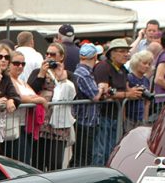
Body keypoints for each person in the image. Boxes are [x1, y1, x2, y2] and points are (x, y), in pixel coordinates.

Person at [92, 38, 144, 166]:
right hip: (102, 116)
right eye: (122, 51)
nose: (126, 54)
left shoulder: (123, 69)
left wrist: (134, 91)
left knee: (112, 150)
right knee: (100, 151)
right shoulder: (103, 67)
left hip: (117, 116)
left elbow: (125, 89)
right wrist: (128, 94)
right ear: (112, 53)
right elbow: (104, 93)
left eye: (127, 51)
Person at [27, 42, 76, 170]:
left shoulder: (68, 74)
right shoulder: (38, 71)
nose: (49, 56)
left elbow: (75, 94)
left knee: (55, 162)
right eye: (47, 53)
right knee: (38, 160)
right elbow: (30, 90)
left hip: (59, 122)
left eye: (53, 54)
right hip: (41, 121)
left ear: (61, 57)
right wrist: (41, 75)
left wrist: (62, 79)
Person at [6, 51, 46, 165]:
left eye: (23, 64)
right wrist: (39, 100)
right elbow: (18, 96)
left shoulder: (22, 81)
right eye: (16, 63)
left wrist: (34, 99)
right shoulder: (8, 80)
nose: (20, 66)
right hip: (13, 125)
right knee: (21, 159)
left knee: (25, 159)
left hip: (25, 125)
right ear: (9, 64)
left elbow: (32, 94)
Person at [72, 43, 107, 167]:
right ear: (94, 57)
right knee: (83, 156)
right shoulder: (83, 73)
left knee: (81, 156)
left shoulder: (84, 72)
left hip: (85, 119)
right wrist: (101, 88)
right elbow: (95, 96)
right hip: (85, 120)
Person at [125, 50, 154, 132]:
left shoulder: (146, 80)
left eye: (149, 64)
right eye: (144, 63)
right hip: (129, 117)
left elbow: (147, 102)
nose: (147, 66)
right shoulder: (129, 77)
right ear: (136, 63)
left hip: (141, 117)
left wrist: (146, 119)